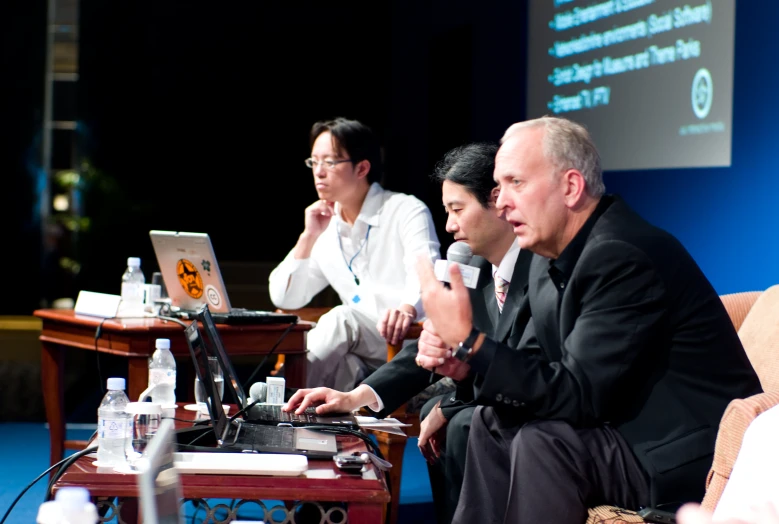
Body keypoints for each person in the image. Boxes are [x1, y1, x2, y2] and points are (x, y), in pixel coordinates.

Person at [414, 116, 762, 523]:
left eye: (516, 183)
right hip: (618, 425)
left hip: (680, 451)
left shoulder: (622, 254)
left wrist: (471, 342)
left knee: (545, 441)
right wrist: (466, 365)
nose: (502, 201)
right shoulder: (550, 259)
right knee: (493, 421)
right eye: (498, 186)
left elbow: (577, 394)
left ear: (572, 187)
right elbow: (536, 368)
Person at [283, 142, 532, 523]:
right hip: (486, 385)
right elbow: (427, 347)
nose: (449, 225)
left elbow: (527, 360)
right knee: (440, 412)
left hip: (529, 397)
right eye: (447, 211)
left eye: (457, 210)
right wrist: (355, 397)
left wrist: (453, 404)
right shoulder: (473, 265)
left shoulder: (540, 267)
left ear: (497, 201)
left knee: (455, 418)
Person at [269, 117, 441, 391]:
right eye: (314, 162)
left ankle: (274, 400)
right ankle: (304, 426)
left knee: (342, 319)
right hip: (361, 354)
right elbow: (285, 297)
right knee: (342, 360)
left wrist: (407, 307)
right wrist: (308, 236)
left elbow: (426, 270)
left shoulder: (405, 209)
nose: (319, 172)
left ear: (361, 167)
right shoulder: (326, 227)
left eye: (330, 162)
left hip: (407, 339)